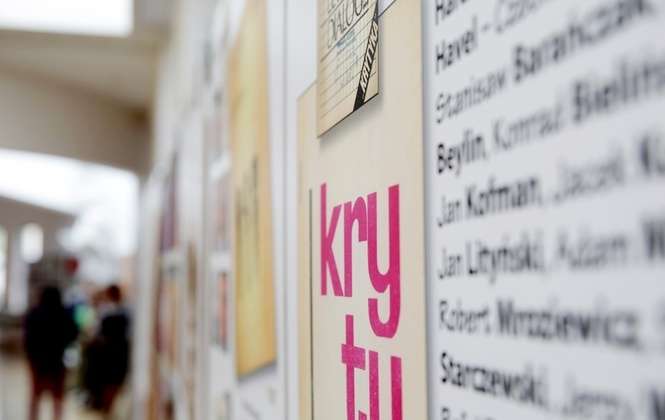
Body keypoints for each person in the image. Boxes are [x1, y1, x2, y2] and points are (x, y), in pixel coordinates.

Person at [24, 286, 78, 420]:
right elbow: (73, 334)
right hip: (57, 359)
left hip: (38, 361)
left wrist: (30, 357)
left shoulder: (34, 313)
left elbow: (27, 338)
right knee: (57, 397)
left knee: (35, 395)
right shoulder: (64, 314)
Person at [83, 284, 130, 414]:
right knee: (113, 383)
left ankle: (107, 408)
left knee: (108, 382)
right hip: (118, 353)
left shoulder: (105, 312)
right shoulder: (125, 312)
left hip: (108, 353)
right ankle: (109, 408)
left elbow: (97, 334)